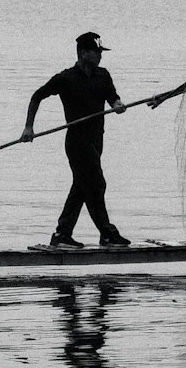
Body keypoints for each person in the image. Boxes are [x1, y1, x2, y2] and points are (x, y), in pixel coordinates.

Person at [21, 32, 131, 248]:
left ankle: (62, 235)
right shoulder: (66, 78)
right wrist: (28, 127)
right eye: (96, 52)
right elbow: (37, 96)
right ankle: (107, 233)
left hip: (97, 141)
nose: (100, 56)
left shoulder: (103, 75)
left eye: (101, 52)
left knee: (81, 187)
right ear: (83, 53)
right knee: (97, 183)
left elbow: (112, 97)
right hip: (77, 142)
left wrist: (117, 104)